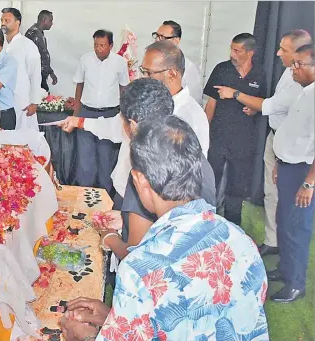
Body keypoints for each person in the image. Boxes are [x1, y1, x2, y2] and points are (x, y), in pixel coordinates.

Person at [58, 115, 268, 341]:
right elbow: (199, 322)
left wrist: (83, 337)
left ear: (139, 181)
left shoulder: (140, 270)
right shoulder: (242, 241)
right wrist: (115, 318)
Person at [62, 78, 215, 261]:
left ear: (133, 125)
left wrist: (109, 238)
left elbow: (135, 254)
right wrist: (126, 218)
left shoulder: (143, 171)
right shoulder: (195, 157)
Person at [212, 29, 312, 257]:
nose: (277, 53)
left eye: (284, 50)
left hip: (291, 152)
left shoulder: (295, 80)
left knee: (289, 208)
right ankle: (273, 241)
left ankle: (287, 260)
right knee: (271, 195)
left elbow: (269, 105)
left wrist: (238, 96)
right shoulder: (288, 73)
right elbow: (269, 104)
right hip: (274, 142)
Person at [204, 33, 266, 225]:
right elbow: (210, 104)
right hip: (218, 137)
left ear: (250, 53)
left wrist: (254, 111)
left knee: (237, 187)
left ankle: (233, 226)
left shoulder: (259, 74)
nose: (232, 54)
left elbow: (264, 104)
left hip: (243, 140)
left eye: (237, 50)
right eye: (231, 49)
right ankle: (206, 222)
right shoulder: (222, 69)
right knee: (210, 182)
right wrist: (204, 133)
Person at [269, 44, 315, 303]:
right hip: (288, 166)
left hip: (303, 173)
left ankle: (296, 284)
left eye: (299, 64)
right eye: (293, 62)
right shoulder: (302, 91)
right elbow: (293, 132)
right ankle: (285, 270)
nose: (292, 68)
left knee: (297, 227)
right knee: (284, 222)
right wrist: (279, 161)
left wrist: (309, 183)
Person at [71, 29, 129, 193]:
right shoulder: (85, 60)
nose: (98, 49)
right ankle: (85, 193)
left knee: (105, 156)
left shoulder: (120, 63)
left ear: (111, 46)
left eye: (102, 45)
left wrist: (124, 112)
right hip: (87, 112)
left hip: (109, 114)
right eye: (96, 45)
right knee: (85, 156)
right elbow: (79, 84)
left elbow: (123, 88)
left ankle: (105, 194)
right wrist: (76, 111)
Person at [0, 7, 42, 131]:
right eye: (2, 20)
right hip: (3, 103)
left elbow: (35, 75)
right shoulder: (1, 45)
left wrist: (34, 102)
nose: (3, 23)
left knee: (23, 138)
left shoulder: (28, 45)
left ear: (17, 23)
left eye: (7, 20)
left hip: (22, 101)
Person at [152, 20, 202, 103]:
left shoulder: (188, 67)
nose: (157, 40)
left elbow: (195, 98)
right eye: (156, 36)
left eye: (162, 37)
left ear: (176, 40)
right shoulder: (153, 62)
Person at [25, 10, 56, 91]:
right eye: (50, 21)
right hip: (35, 76)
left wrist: (50, 72)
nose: (51, 23)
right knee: (43, 99)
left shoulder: (39, 32)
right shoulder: (33, 33)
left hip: (41, 75)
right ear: (43, 20)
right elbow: (33, 57)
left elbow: (44, 55)